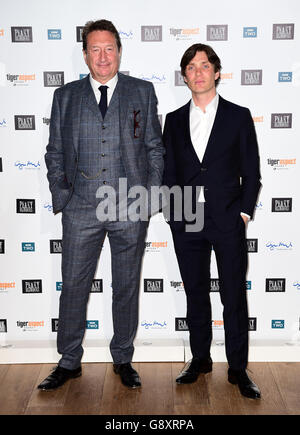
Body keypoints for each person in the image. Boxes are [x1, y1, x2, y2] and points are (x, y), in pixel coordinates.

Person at [38, 19, 164, 390]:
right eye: (95, 48)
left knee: (125, 285)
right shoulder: (66, 96)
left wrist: (150, 195)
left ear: (119, 51)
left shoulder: (142, 92)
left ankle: (123, 357)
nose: (103, 56)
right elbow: (55, 152)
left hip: (130, 206)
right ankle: (69, 360)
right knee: (74, 285)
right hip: (80, 208)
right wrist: (63, 193)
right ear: (84, 54)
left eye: (109, 48)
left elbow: (155, 148)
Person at [162, 44, 261, 399]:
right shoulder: (173, 120)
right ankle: (200, 359)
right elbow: (167, 172)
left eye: (205, 66)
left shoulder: (238, 115)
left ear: (216, 72)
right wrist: (174, 214)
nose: (198, 72)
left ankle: (238, 369)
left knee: (233, 296)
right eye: (191, 67)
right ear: (184, 76)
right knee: (195, 293)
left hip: (227, 219)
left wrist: (244, 213)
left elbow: (252, 173)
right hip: (186, 219)